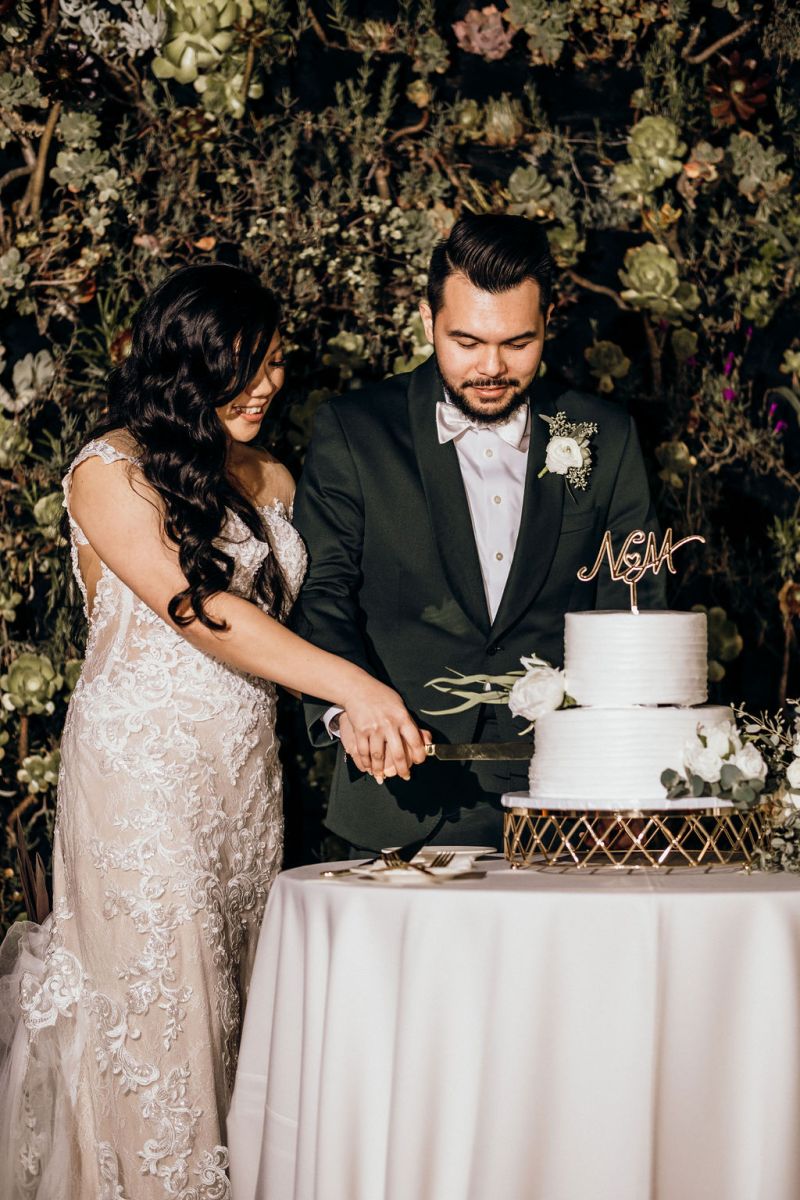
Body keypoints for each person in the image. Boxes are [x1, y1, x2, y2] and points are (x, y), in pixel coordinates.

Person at [0, 264, 426, 1200]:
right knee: (162, 1019)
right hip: (142, 780)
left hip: (242, 780)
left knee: (233, 1013)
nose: (268, 384)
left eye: (275, 363)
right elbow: (201, 612)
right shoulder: (107, 470)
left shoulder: (270, 475)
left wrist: (367, 692)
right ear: (185, 362)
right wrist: (356, 688)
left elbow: (308, 620)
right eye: (245, 363)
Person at [292, 213, 666, 855]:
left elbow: (634, 609)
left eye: (518, 343)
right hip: (400, 800)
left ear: (548, 322)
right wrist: (346, 703)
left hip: (571, 803)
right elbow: (321, 590)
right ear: (426, 320)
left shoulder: (605, 434)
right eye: (466, 342)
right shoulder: (355, 431)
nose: (491, 368)